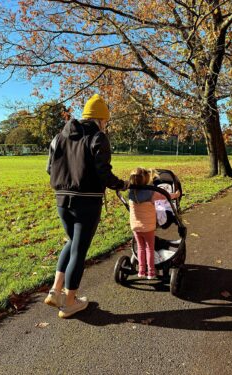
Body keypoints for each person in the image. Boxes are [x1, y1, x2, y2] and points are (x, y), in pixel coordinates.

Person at [45, 94, 128, 318]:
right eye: (106, 121)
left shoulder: (58, 137)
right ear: (101, 119)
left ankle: (55, 291)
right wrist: (122, 184)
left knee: (72, 243)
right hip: (87, 201)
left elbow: (49, 169)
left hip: (62, 199)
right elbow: (103, 172)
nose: (106, 125)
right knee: (79, 251)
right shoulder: (98, 137)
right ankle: (70, 302)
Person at [128, 168, 180, 279]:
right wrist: (175, 195)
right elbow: (165, 196)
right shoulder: (151, 193)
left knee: (141, 248)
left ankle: (141, 271)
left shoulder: (131, 193)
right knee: (149, 248)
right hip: (148, 228)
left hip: (135, 227)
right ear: (147, 180)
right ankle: (151, 272)